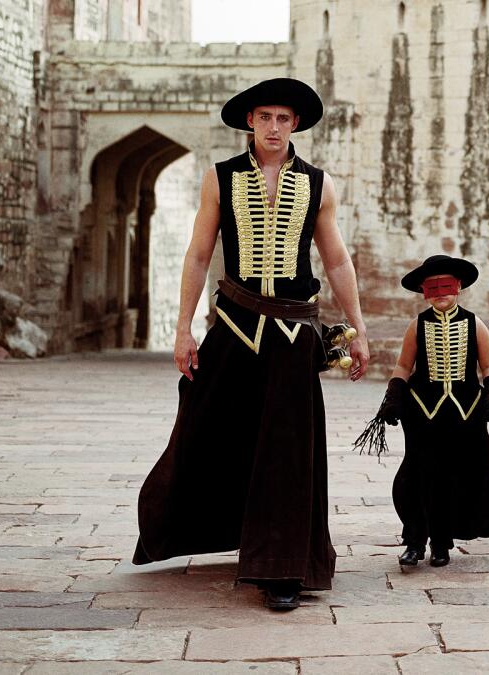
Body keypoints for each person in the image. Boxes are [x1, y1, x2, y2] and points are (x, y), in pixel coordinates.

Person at [132, 78, 370, 611]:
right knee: (206, 422)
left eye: (283, 118)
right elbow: (197, 255)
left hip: (292, 333)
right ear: (249, 122)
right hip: (235, 325)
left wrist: (358, 330)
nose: (273, 127)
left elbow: (335, 260)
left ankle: (281, 568)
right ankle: (181, 529)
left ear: (296, 124)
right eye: (264, 117)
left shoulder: (319, 184)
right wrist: (182, 329)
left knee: (288, 450)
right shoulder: (220, 179)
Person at [354, 255, 489, 567]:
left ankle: (441, 542)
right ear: (423, 291)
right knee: (418, 475)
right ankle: (414, 541)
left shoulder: (475, 324)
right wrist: (393, 397)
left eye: (446, 286)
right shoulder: (417, 326)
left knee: (456, 478)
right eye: (433, 287)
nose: (440, 293)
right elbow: (403, 365)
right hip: (423, 413)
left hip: (465, 414)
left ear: (459, 287)